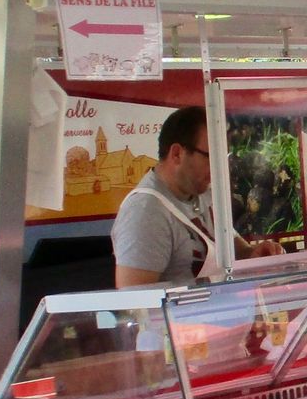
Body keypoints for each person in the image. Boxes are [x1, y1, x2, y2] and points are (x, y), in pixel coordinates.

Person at [111, 107, 283, 287]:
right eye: (210, 157)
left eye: (222, 158)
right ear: (177, 154)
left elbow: (227, 240)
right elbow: (135, 298)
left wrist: (250, 253)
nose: (218, 168)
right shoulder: (145, 213)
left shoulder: (204, 191)